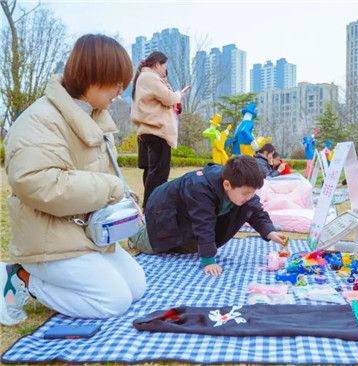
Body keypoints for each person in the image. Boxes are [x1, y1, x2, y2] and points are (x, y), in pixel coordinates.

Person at [0, 34, 146, 326]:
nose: (120, 90)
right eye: (116, 81)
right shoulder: (40, 119)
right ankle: (20, 276)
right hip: (48, 236)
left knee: (136, 288)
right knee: (113, 300)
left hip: (88, 233)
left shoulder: (95, 118)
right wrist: (112, 189)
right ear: (93, 74)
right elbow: (39, 183)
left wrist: (127, 202)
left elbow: (108, 177)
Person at [130, 155, 286, 276]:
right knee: (153, 246)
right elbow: (203, 223)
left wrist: (270, 232)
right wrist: (208, 261)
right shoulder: (200, 188)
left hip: (184, 219)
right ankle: (133, 229)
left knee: (186, 245)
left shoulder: (238, 187)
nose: (250, 196)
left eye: (253, 193)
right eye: (246, 193)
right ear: (227, 185)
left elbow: (255, 210)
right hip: (163, 212)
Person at [131, 51, 190, 208]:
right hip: (157, 131)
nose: (165, 70)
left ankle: (150, 207)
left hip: (147, 130)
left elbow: (165, 101)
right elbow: (169, 97)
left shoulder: (144, 78)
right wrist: (179, 95)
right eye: (164, 66)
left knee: (151, 172)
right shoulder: (150, 77)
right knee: (159, 173)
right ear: (157, 64)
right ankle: (152, 207)